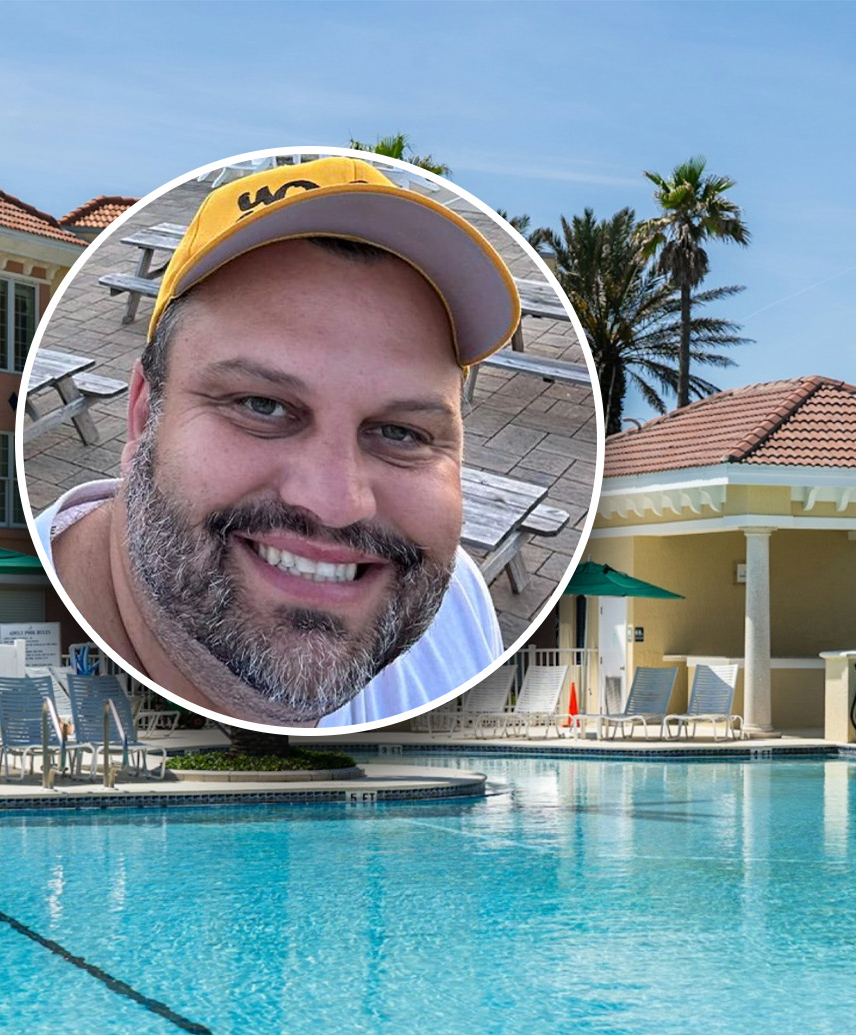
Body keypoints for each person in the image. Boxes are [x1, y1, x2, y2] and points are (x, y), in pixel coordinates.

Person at [35, 156, 519, 728]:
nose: (336, 502)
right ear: (144, 414)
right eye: (261, 406)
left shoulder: (456, 605)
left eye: (401, 433)